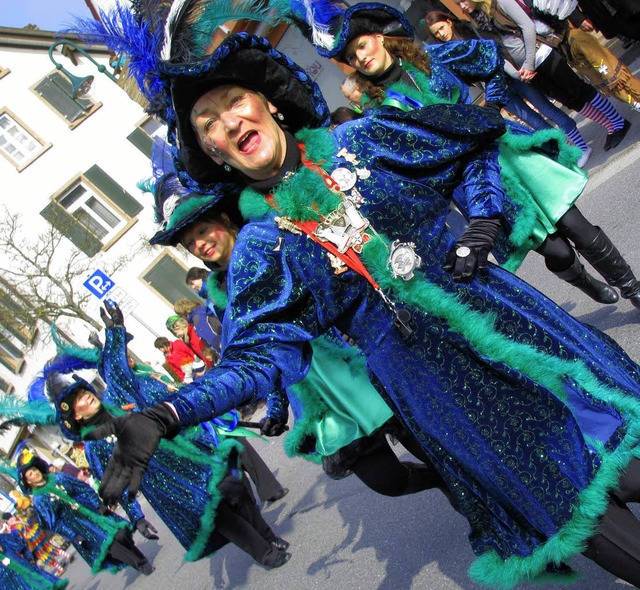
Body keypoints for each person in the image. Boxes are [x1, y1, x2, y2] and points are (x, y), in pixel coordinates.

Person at [74, 6, 640, 587]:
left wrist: (482, 222)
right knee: (577, 512)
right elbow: (257, 358)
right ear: (215, 154)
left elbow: (470, 148)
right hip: (440, 390)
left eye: (233, 103)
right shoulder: (260, 249)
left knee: (619, 441)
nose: (226, 123)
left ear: (268, 104)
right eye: (208, 125)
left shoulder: (363, 139)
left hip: (507, 319)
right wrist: (167, 413)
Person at [301, 2, 640, 307]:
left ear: (377, 37)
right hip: (476, 183)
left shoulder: (431, 58)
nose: (359, 57)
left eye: (361, 46)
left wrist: (492, 107)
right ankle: (585, 282)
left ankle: (632, 288)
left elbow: (490, 60)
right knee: (556, 249)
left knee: (575, 223)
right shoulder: (380, 113)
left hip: (509, 154)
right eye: (350, 57)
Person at [147, 169, 446, 499]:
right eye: (190, 242)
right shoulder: (221, 299)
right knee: (388, 482)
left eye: (202, 230)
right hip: (316, 398)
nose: (200, 244)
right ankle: (446, 484)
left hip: (353, 368)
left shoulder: (271, 241)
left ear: (223, 218)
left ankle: (474, 504)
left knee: (436, 450)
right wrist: (276, 409)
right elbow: (259, 358)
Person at [35, 358, 291, 569]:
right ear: (75, 414)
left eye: (83, 391)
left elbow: (119, 373)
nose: (86, 396)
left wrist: (113, 334)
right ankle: (265, 553)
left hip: (192, 460)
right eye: (77, 398)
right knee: (219, 515)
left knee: (237, 490)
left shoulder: (119, 403)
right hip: (171, 488)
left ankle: (269, 537)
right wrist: (137, 518)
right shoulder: (95, 445)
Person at [423, 8, 594, 165]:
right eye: (436, 33)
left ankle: (582, 146)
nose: (441, 34)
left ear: (449, 22)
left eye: (441, 28)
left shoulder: (469, 31)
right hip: (497, 92)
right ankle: (569, 152)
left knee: (548, 109)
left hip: (513, 76)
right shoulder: (446, 53)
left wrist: (514, 73)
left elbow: (495, 51)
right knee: (535, 122)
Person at [455, 0, 631, 151]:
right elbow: (496, 51)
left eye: (462, 1)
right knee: (569, 100)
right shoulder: (478, 22)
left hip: (542, 55)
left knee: (578, 90)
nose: (462, 6)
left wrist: (528, 63)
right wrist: (518, 73)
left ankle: (618, 121)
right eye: (458, 4)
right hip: (526, 71)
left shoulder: (500, 3)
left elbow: (527, 26)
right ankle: (609, 126)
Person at [16, 447, 154, 576]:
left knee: (121, 534)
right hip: (79, 525)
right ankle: (142, 564)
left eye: (34, 470)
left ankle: (137, 558)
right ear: (28, 482)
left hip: (93, 512)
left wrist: (97, 504)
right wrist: (73, 535)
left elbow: (83, 489)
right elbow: (54, 523)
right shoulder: (40, 500)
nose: (35, 474)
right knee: (110, 545)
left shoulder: (60, 479)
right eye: (30, 474)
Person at [0, 530, 68, 590]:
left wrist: (28, 556)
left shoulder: (3, 539)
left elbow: (21, 544)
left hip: (21, 570)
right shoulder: (4, 539)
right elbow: (21, 544)